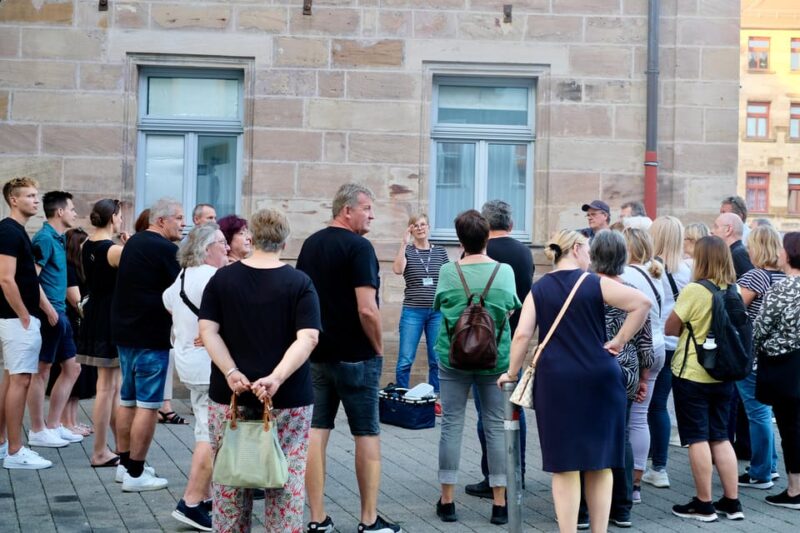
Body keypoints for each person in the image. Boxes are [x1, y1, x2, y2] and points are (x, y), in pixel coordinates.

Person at [499, 229, 650, 532]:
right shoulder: (595, 283)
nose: (591, 257)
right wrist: (619, 341)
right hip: (600, 378)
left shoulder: (539, 289)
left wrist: (512, 373)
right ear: (577, 248)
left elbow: (523, 335)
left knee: (564, 465)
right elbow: (641, 304)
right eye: (589, 250)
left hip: (557, 383)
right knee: (601, 462)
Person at [200, 208, 321, 531]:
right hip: (288, 399)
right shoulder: (299, 282)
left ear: (250, 237)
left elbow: (208, 331)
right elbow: (308, 337)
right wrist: (277, 377)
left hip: (230, 396)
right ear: (285, 240)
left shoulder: (222, 279)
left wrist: (230, 371)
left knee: (229, 485)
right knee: (286, 482)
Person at [296, 183, 401, 533]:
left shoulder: (310, 245)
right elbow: (367, 309)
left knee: (315, 432)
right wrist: (379, 347)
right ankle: (369, 520)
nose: (372, 215)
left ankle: (317, 518)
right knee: (366, 433)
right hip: (357, 356)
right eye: (367, 208)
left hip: (317, 354)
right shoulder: (359, 247)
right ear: (347, 211)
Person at [432, 210, 521, 525]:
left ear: (460, 241)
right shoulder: (505, 272)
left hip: (453, 358)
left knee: (451, 425)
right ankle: (499, 504)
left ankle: (447, 501)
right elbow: (511, 308)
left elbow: (440, 307)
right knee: (496, 426)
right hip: (495, 360)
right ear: (487, 238)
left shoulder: (448, 271)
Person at [665, 235, 744, 522]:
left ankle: (704, 503)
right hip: (725, 375)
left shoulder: (695, 290)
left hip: (693, 374)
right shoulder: (732, 289)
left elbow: (671, 327)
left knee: (697, 437)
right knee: (721, 437)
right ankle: (732, 502)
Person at [111, 198, 183, 491]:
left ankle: (125, 465)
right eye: (178, 218)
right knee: (149, 406)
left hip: (126, 332)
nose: (183, 223)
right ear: (161, 220)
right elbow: (181, 289)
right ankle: (136, 474)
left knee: (127, 400)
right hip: (149, 334)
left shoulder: (136, 242)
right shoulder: (166, 249)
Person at [163, 223, 229, 531]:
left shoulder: (182, 277)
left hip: (190, 363)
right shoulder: (212, 277)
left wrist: (198, 328)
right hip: (208, 367)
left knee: (207, 431)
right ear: (206, 249)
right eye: (221, 243)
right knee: (209, 435)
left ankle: (202, 497)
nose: (226, 248)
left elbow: (167, 303)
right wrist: (209, 332)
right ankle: (190, 501)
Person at [466, 199, 533, 499]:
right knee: (515, 409)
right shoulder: (523, 252)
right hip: (516, 337)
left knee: (487, 415)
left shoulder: (480, 252)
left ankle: (492, 475)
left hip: (485, 342)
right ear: (511, 224)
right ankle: (517, 474)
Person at [590, 230, 654, 528]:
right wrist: (643, 378)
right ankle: (623, 507)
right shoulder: (633, 293)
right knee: (622, 436)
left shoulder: (584, 291)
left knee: (588, 436)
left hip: (588, 371)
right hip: (624, 372)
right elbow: (644, 342)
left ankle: (584, 507)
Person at [0, 177, 51, 469]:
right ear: (13, 200)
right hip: (16, 319)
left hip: (18, 318)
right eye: (30, 195)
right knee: (20, 380)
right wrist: (23, 314)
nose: (36, 200)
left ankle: (4, 444)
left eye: (37, 194)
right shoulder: (8, 231)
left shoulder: (16, 231)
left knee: (12, 380)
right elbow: (5, 278)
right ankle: (16, 452)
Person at [26, 191, 83, 448]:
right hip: (49, 315)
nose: (74, 213)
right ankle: (38, 430)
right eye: (71, 209)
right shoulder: (45, 239)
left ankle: (53, 425)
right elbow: (31, 279)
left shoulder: (59, 239)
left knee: (73, 368)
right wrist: (49, 310)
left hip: (60, 315)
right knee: (42, 371)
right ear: (60, 212)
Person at [643, 216, 692, 489]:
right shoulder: (687, 270)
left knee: (647, 408)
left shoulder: (651, 269)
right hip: (679, 346)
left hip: (655, 342)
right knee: (659, 406)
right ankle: (657, 464)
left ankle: (653, 464)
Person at [753, 232, 800, 509]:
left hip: (785, 366)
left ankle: (795, 489)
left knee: (790, 427)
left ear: (790, 253)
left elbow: (759, 329)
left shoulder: (783, 289)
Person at [735, 225, 785, 489]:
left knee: (758, 413)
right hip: (773, 354)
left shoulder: (756, 276)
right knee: (766, 411)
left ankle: (760, 472)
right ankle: (771, 466)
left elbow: (735, 308)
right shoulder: (782, 277)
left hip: (752, 353)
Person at [620, 227, 665, 504]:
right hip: (657, 347)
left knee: (629, 420)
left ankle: (625, 483)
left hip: (637, 349)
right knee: (641, 415)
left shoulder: (624, 276)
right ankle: (636, 484)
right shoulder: (655, 273)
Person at [79, 199, 125, 466]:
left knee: (110, 387)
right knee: (107, 387)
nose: (121, 220)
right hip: (109, 315)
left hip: (95, 312)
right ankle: (99, 451)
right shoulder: (114, 250)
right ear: (112, 218)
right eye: (119, 216)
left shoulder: (87, 245)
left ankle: (119, 446)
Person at [391, 212, 448, 400]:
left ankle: (434, 399)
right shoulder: (407, 251)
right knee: (405, 359)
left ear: (429, 227)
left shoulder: (440, 251)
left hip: (437, 313)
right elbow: (398, 270)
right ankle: (400, 398)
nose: (420, 228)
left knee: (436, 360)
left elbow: (449, 277)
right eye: (415, 225)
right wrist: (403, 242)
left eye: (423, 224)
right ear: (411, 230)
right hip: (412, 312)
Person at [47, 228, 96, 437]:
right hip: (74, 325)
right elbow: (77, 301)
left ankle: (72, 420)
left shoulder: (81, 267)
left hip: (82, 326)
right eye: (84, 245)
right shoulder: (69, 268)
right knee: (70, 373)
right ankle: (64, 422)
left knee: (79, 375)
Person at [713, 213, 754, 279]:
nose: (712, 231)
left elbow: (752, 283)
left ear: (728, 230)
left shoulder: (738, 254)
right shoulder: (733, 252)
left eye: (716, 227)